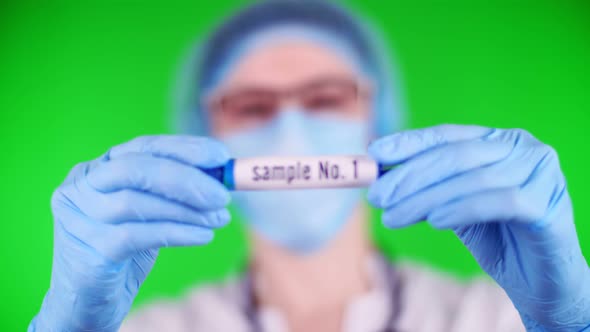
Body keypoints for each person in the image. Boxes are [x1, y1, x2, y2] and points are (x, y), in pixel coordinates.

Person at [28, 1, 590, 331]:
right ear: (206, 134)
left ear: (379, 120)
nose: (291, 133)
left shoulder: (493, 319)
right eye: (252, 106)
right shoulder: (157, 328)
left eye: (325, 98)